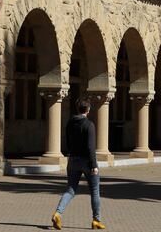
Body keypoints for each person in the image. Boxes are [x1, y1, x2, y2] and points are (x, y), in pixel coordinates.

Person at [52, 98, 106, 230]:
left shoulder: (70, 123)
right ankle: (96, 220)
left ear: (77, 109)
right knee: (94, 191)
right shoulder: (89, 125)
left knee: (70, 190)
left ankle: (57, 213)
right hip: (87, 161)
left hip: (73, 160)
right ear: (88, 110)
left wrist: (71, 153)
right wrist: (94, 165)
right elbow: (90, 147)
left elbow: (68, 142)